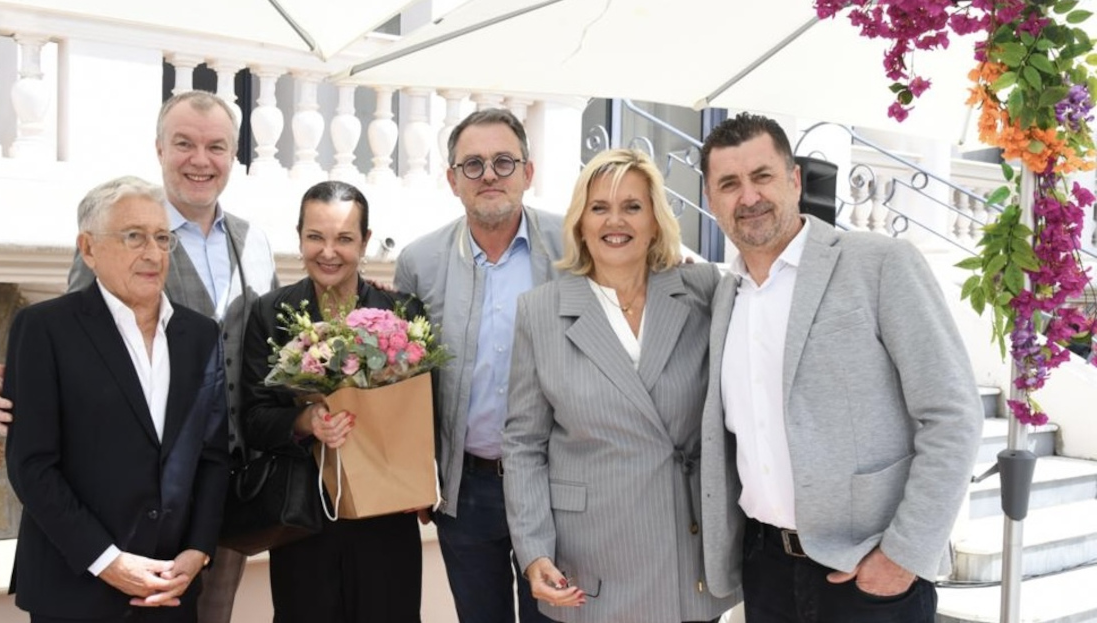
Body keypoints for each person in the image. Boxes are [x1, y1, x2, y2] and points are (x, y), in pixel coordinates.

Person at [0, 89, 278, 623]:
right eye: (184, 143)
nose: (200, 159)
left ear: (232, 156)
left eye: (216, 146)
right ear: (160, 149)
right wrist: (13, 398)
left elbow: (264, 361)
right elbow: (76, 344)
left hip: (219, 502)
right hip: (104, 529)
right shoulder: (112, 223)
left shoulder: (254, 241)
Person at [696, 112, 984, 622]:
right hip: (765, 570)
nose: (749, 197)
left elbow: (954, 414)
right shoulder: (724, 295)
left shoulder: (878, 263)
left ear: (794, 180)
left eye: (762, 176)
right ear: (710, 199)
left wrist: (902, 555)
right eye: (729, 184)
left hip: (868, 576)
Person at [501, 149, 738, 623]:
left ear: (655, 220)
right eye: (599, 208)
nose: (616, 221)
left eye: (632, 206)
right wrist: (533, 550)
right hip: (591, 554)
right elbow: (524, 445)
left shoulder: (702, 291)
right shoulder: (541, 311)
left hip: (684, 546)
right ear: (581, 223)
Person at [4, 176, 228, 623]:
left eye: (162, 238)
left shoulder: (201, 334)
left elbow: (213, 456)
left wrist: (197, 550)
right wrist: (109, 562)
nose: (153, 253)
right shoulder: (44, 329)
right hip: (77, 588)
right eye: (133, 237)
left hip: (171, 590)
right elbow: (32, 466)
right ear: (88, 249)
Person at [394, 108, 562, 623]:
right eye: (473, 164)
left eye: (504, 161)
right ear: (452, 180)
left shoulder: (574, 247)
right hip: (467, 491)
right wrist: (416, 478)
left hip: (556, 485)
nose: (489, 174)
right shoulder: (419, 262)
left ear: (528, 173)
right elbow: (405, 382)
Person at [239, 180, 427, 623]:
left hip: (386, 513)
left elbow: (426, 410)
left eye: (344, 238)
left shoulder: (401, 312)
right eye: (315, 237)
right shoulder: (271, 314)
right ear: (299, 236)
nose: (328, 251)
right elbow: (253, 416)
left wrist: (424, 489)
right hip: (304, 516)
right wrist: (305, 421)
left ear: (364, 241)